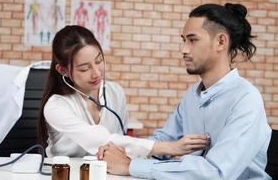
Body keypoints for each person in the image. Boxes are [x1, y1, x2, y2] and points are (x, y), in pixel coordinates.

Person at [98, 3, 273, 180]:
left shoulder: (246, 99)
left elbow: (215, 174)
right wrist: (121, 151)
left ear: (221, 42)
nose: (184, 49)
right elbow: (163, 142)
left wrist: (131, 165)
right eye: (184, 40)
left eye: (192, 40)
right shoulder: (192, 95)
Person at [38, 25, 209, 158]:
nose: (97, 73)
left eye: (99, 61)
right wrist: (171, 147)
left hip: (108, 176)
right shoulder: (56, 106)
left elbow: (120, 142)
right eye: (84, 68)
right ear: (62, 70)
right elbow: (102, 141)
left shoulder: (114, 92)